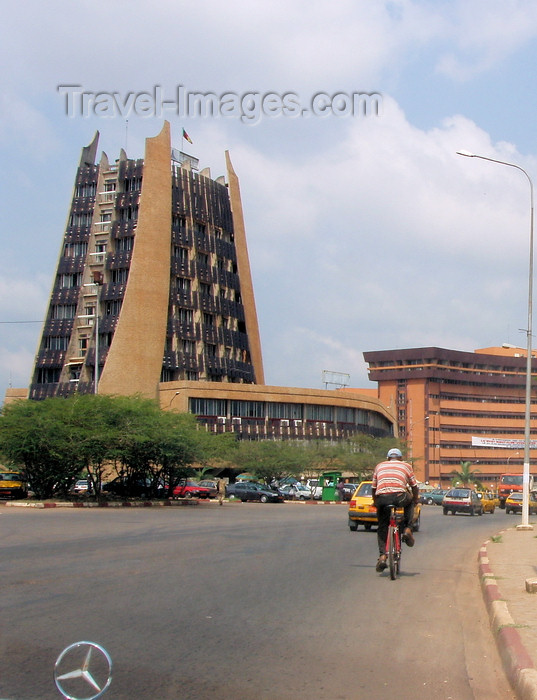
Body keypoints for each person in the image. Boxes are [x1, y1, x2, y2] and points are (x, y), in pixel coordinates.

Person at [372, 448, 419, 572]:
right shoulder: (406, 466)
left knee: (382, 526)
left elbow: (374, 487)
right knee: (409, 502)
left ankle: (382, 556)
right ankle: (408, 528)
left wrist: (375, 502)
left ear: (388, 458)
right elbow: (414, 486)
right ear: (401, 458)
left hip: (382, 498)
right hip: (400, 497)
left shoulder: (379, 466)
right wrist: (415, 500)